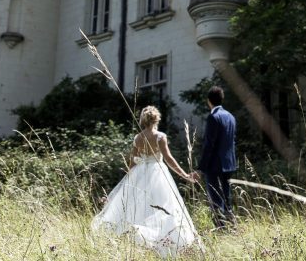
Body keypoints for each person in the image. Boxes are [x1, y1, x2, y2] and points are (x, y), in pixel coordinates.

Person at [92, 105, 199, 256]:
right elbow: (168, 159)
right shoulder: (160, 137)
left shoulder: (138, 138)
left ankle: (138, 240)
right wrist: (185, 175)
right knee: (163, 205)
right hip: (158, 173)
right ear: (157, 119)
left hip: (139, 173)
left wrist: (128, 179)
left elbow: (132, 162)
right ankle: (163, 240)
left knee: (137, 207)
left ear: (143, 120)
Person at [195, 85, 237, 228]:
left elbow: (209, 145)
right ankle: (232, 226)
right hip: (229, 164)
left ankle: (221, 229)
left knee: (215, 199)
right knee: (227, 197)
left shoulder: (213, 117)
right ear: (222, 99)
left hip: (215, 165)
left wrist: (201, 167)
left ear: (209, 101)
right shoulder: (231, 116)